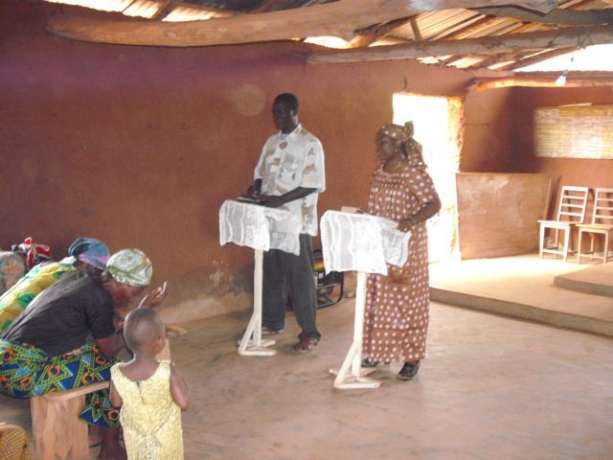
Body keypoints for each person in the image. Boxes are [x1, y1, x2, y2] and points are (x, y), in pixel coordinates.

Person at [0, 248, 168, 460]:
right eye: (135, 292)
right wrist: (141, 313)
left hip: (6, 357)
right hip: (19, 372)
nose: (133, 299)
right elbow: (109, 349)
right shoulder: (100, 300)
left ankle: (98, 432)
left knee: (94, 359)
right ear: (121, 281)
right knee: (117, 372)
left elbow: (97, 324)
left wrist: (125, 320)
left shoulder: (83, 279)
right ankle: (110, 449)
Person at [244, 92, 326, 352]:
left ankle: (310, 333)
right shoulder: (271, 142)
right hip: (270, 220)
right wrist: (257, 188)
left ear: (294, 112)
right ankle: (272, 322)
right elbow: (260, 172)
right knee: (271, 272)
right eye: (274, 112)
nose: (276, 116)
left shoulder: (310, 143)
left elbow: (313, 183)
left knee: (299, 277)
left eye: (281, 111)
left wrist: (280, 200)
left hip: (295, 221)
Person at [361, 122, 441, 381]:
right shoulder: (381, 171)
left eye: (384, 142)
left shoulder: (412, 173)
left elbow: (434, 204)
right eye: (378, 141)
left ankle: (412, 358)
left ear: (398, 146)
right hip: (382, 245)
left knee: (406, 301)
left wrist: (413, 220)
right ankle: (380, 352)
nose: (379, 147)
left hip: (407, 248)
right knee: (380, 299)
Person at [110, 307, 190, 459]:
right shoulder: (168, 371)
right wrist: (183, 384)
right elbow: (184, 403)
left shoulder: (117, 373)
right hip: (166, 444)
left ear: (127, 342)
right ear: (159, 341)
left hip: (137, 445)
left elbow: (116, 402)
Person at [0, 237, 111, 332]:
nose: (98, 276)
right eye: (99, 271)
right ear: (90, 265)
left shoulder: (47, 266)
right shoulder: (70, 276)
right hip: (6, 328)